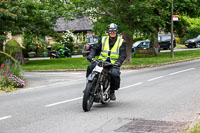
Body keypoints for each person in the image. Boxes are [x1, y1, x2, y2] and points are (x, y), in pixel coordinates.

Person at [86, 23, 127, 100]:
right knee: (90, 67)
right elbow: (95, 48)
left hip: (113, 63)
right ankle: (89, 85)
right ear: (108, 32)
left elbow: (123, 54)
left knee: (114, 74)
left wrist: (118, 62)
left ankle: (112, 91)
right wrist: (91, 56)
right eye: (110, 31)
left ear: (117, 32)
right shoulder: (103, 39)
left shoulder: (121, 41)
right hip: (101, 61)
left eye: (114, 31)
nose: (112, 33)